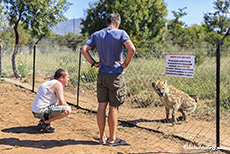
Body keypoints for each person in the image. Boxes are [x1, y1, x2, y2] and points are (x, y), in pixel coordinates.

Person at [80, 13, 136, 146]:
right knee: (113, 108)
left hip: (102, 74)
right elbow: (132, 49)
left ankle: (101, 138)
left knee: (101, 106)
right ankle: (112, 139)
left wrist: (94, 63)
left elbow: (83, 49)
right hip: (116, 74)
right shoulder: (121, 33)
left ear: (108, 22)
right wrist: (125, 64)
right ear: (117, 23)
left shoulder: (97, 34)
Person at [31, 69, 71, 133]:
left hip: (35, 111)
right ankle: (46, 122)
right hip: (41, 112)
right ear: (61, 78)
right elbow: (62, 102)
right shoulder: (58, 84)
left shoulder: (50, 81)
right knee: (67, 110)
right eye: (67, 77)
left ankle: (42, 121)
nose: (68, 80)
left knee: (54, 105)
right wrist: (67, 106)